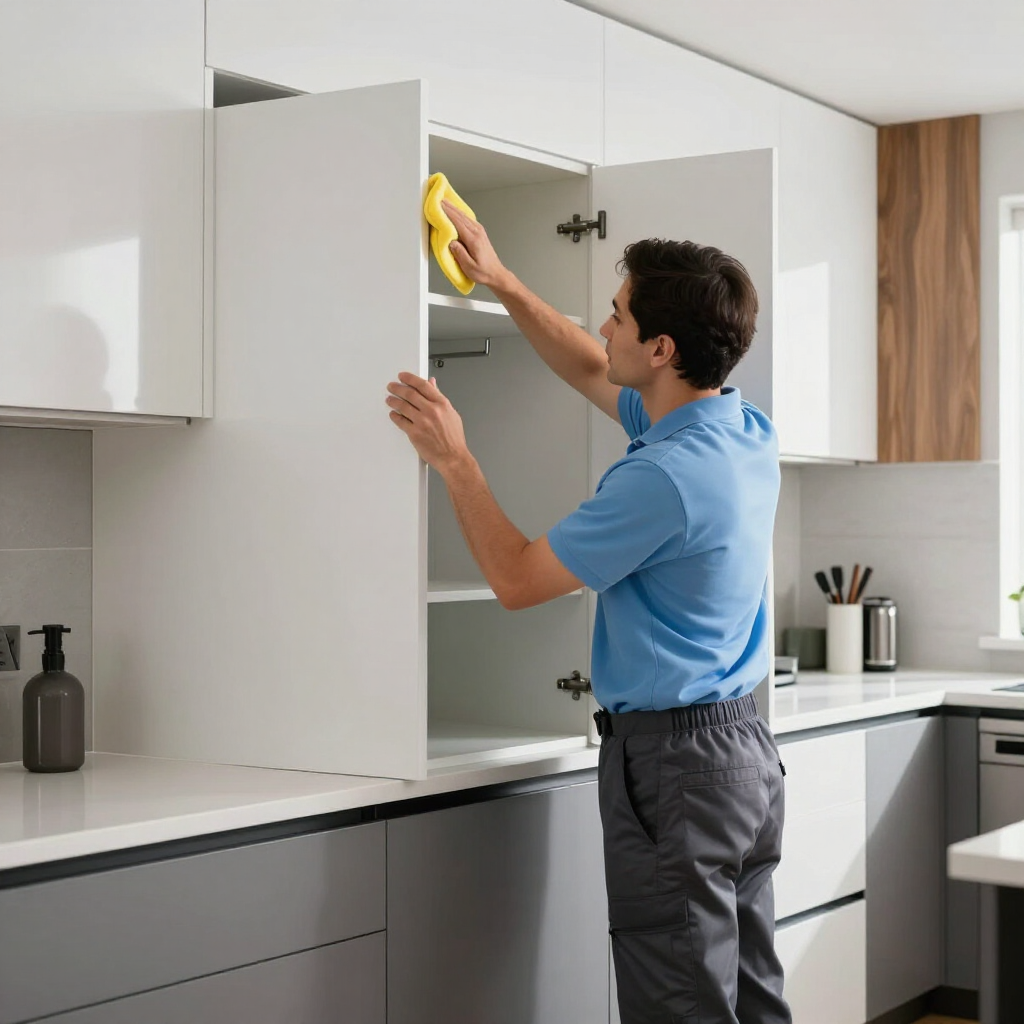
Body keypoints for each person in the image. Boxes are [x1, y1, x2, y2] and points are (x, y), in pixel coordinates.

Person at [386, 200, 790, 1024]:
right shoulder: (739, 428)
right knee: (749, 1002)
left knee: (681, 1008)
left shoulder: (664, 478)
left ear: (662, 349)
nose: (603, 328)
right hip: (743, 753)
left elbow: (518, 580)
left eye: (618, 315)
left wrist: (455, 458)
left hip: (677, 769)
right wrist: (496, 276)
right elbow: (584, 366)